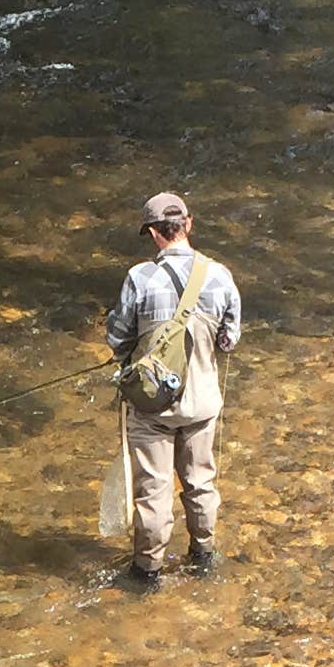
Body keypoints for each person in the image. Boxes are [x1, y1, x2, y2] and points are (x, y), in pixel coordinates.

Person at [105, 189, 242, 590]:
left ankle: (146, 574)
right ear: (188, 224)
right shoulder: (220, 275)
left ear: (152, 233)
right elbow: (229, 342)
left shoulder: (139, 278)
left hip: (152, 408)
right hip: (201, 405)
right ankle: (204, 557)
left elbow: (116, 339)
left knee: (153, 492)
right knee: (201, 482)